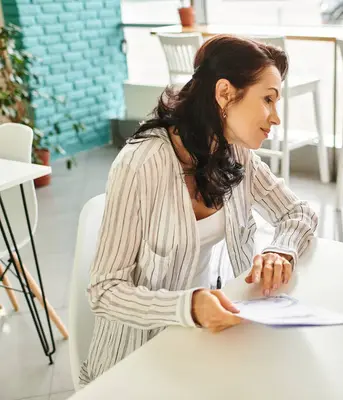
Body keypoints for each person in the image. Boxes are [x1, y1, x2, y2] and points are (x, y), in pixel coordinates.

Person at [80, 35, 318, 385]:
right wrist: (187, 307)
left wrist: (279, 249)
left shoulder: (235, 152)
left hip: (202, 338)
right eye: (268, 99)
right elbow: (104, 290)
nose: (276, 117)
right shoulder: (141, 164)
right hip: (133, 361)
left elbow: (298, 213)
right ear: (224, 93)